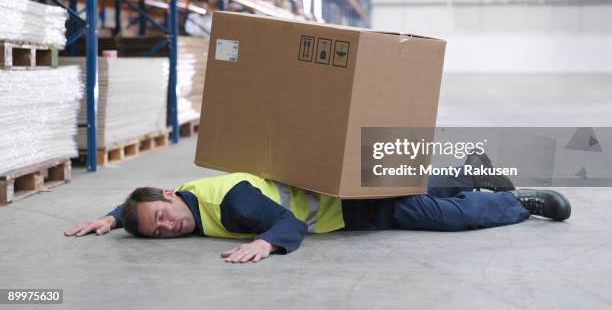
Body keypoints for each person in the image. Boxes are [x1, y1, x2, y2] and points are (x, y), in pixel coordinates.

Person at [65, 153, 571, 264]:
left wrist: (265, 241)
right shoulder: (186, 196)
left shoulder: (231, 202)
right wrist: (113, 216)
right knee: (429, 186)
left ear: (169, 198)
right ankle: (472, 170)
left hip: (352, 206)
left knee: (447, 216)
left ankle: (521, 202)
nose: (169, 228)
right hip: (345, 181)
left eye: (162, 219)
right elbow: (142, 203)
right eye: (158, 233)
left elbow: (286, 223)